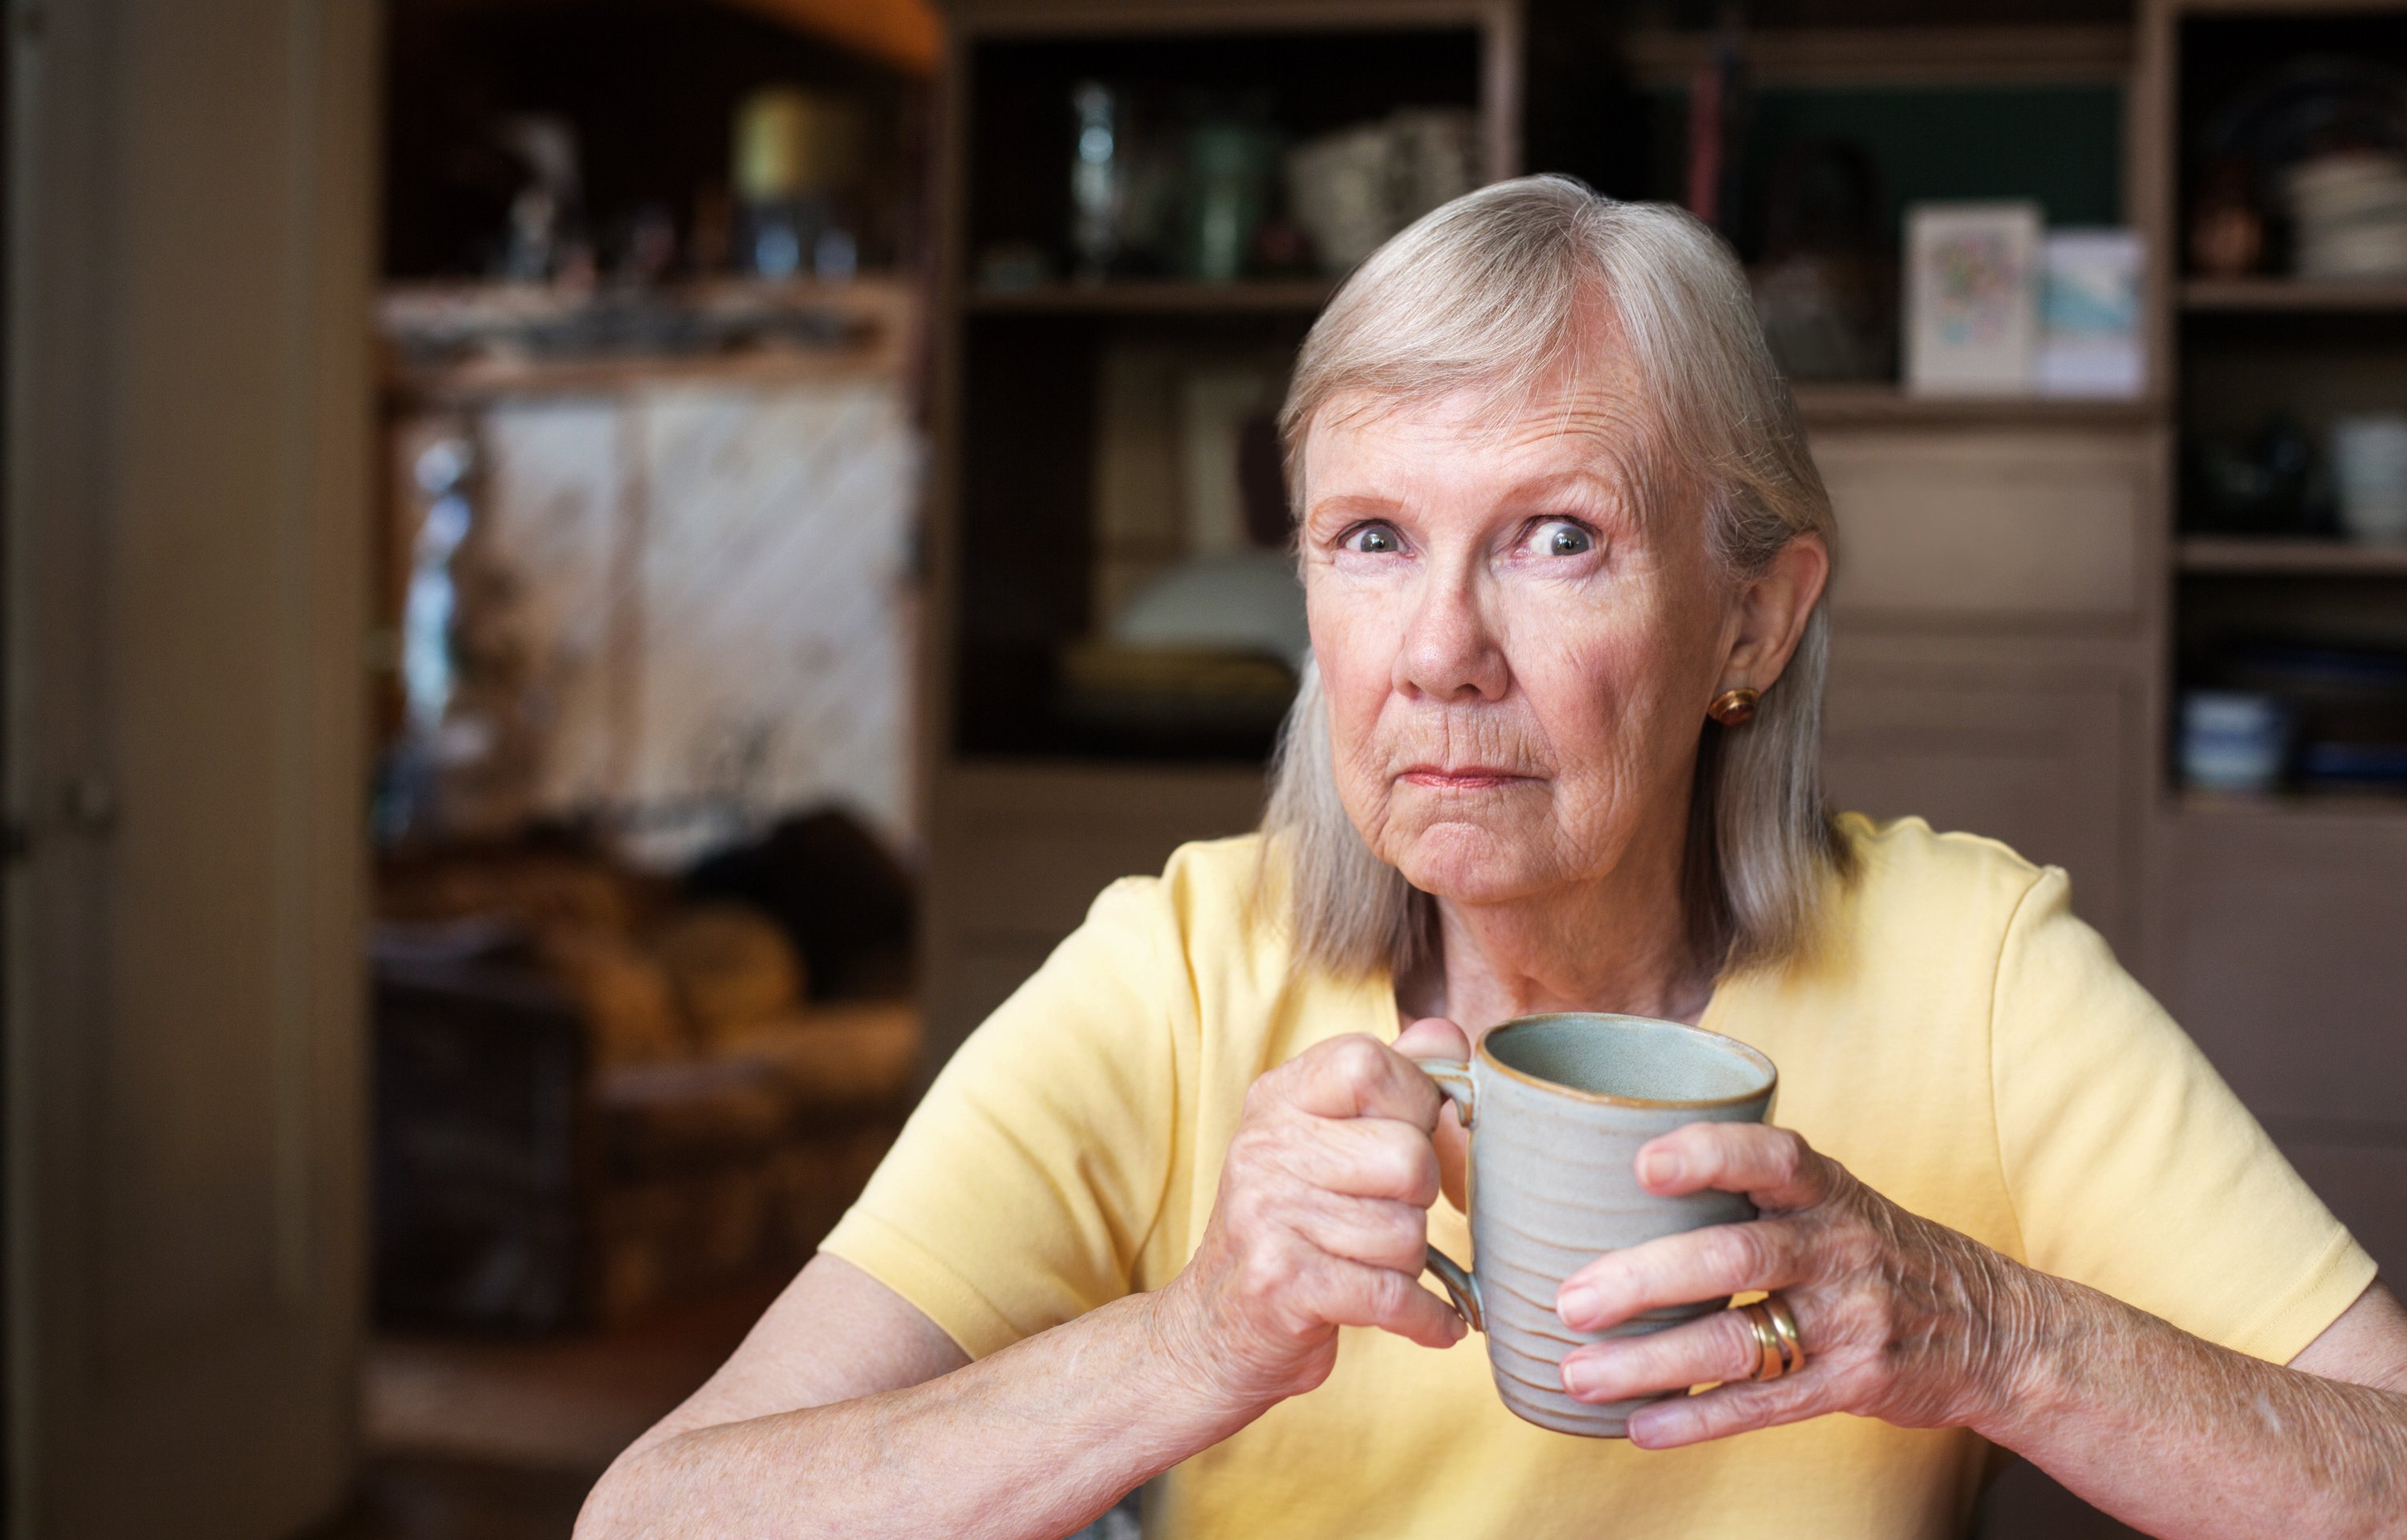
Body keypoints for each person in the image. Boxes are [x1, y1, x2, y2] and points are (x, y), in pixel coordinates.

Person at [576, 177, 2407, 1540]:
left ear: (1753, 623)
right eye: (1372, 538)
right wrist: (1198, 1338)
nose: (1438, 648)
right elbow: (657, 1519)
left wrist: (1976, 1328)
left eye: (1553, 537)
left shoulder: (1970, 969)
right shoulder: (1181, 974)